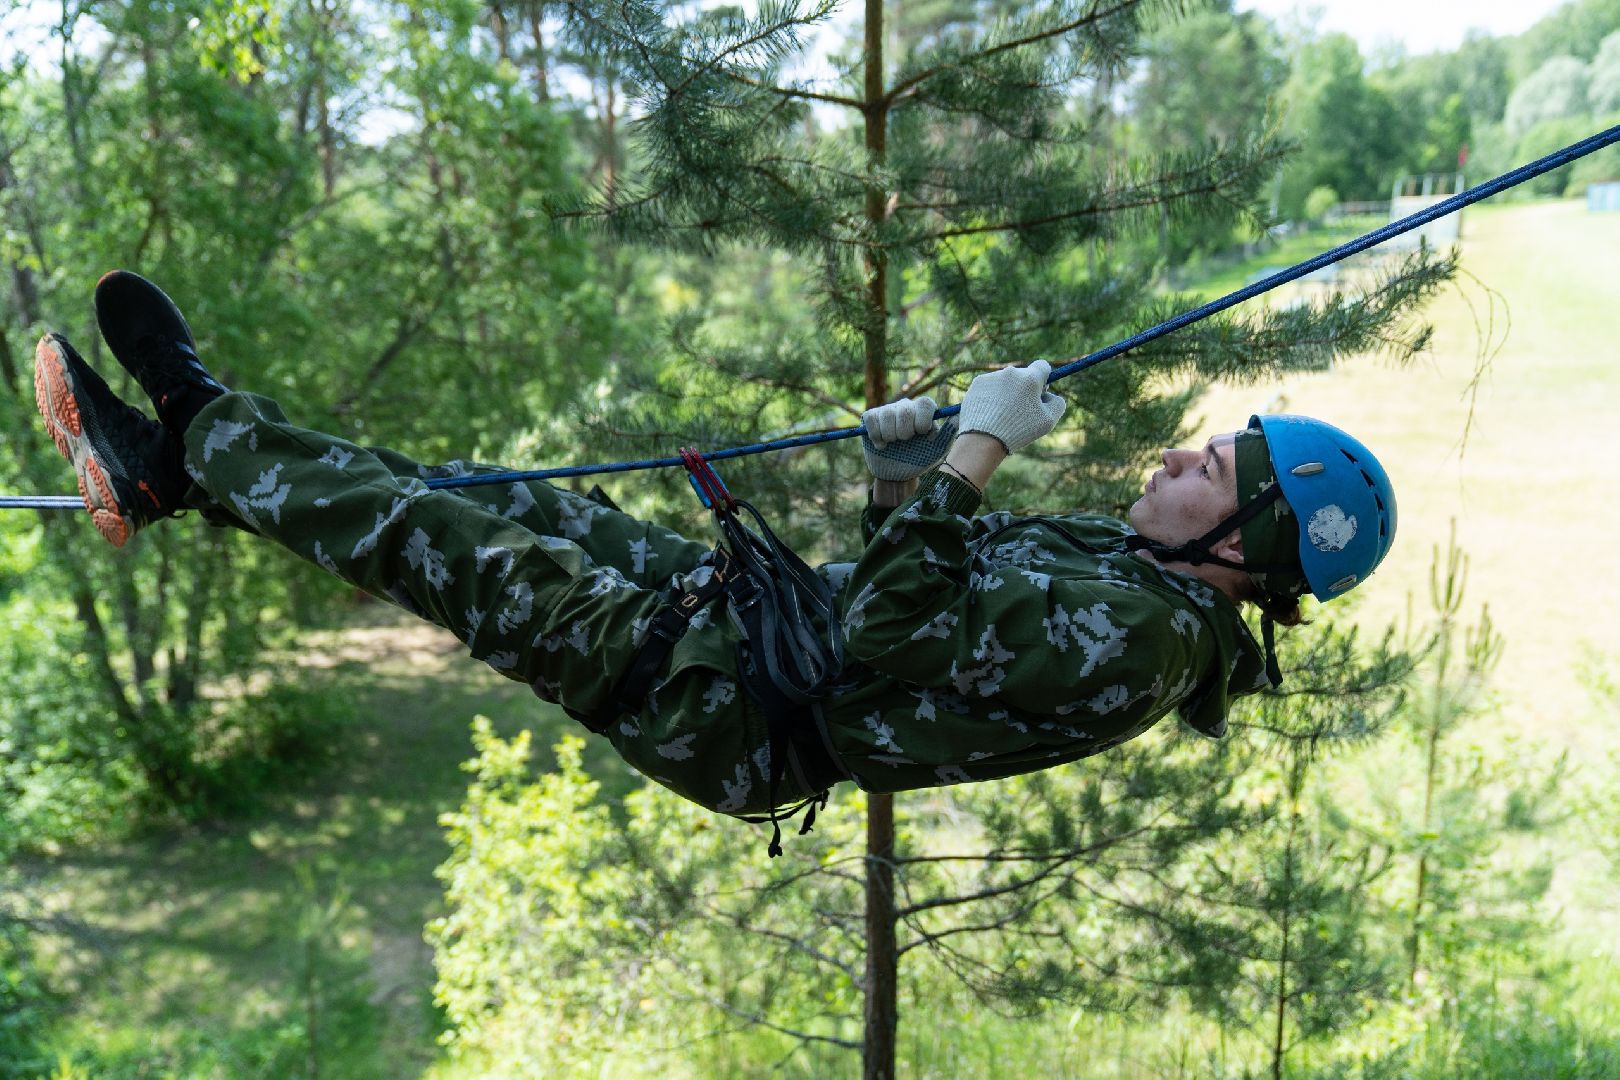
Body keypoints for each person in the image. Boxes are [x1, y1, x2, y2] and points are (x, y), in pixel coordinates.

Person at [34, 271, 1395, 839]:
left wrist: (973, 463)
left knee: (435, 539)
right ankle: (175, 468)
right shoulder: (1133, 578)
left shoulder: (1150, 643)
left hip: (727, 705)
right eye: (1196, 452)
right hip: (738, 629)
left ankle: (197, 426)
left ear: (1243, 546)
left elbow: (888, 645)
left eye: (1205, 472)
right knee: (487, 495)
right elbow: (906, 589)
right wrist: (902, 472)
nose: (1169, 463)